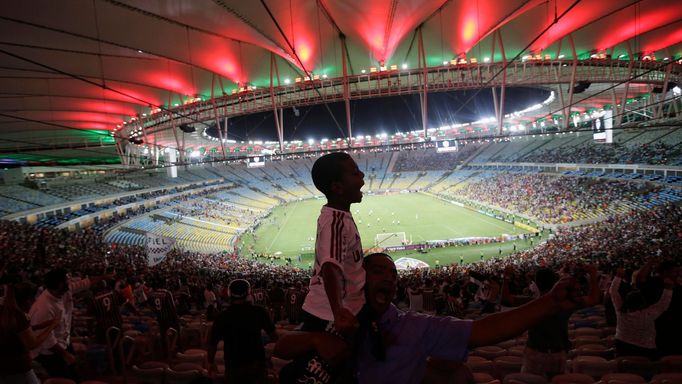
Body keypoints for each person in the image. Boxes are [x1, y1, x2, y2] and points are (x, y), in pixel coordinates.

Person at [275, 253, 599, 384]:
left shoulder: (412, 326)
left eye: (392, 274)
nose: (389, 278)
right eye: (378, 271)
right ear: (358, 278)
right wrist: (318, 339)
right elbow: (283, 348)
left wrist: (549, 303)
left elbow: (484, 330)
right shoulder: (332, 317)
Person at [291, 152, 366, 382]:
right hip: (330, 318)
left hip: (335, 314)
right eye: (354, 173)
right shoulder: (334, 221)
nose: (362, 176)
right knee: (319, 375)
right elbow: (330, 266)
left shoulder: (339, 216)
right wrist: (338, 312)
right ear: (337, 187)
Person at [29, 268, 113, 380]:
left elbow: (84, 283)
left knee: (74, 374)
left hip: (64, 343)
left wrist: (103, 277)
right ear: (59, 285)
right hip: (51, 352)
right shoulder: (44, 308)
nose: (70, 281)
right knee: (65, 379)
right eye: (67, 280)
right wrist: (65, 355)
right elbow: (47, 340)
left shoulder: (63, 291)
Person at [207, 279, 277, 384]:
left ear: (230, 293)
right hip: (256, 362)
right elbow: (274, 337)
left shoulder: (222, 316)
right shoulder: (259, 311)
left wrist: (211, 362)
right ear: (248, 293)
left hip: (233, 363)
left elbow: (212, 343)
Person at [0, 281, 60, 384]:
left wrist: (39, 326)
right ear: (27, 300)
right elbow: (32, 344)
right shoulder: (18, 316)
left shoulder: (5, 310)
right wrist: (51, 326)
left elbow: (15, 332)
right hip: (18, 367)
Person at [609, 267, 673, 359]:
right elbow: (663, 304)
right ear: (642, 304)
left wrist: (618, 276)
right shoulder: (648, 315)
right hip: (645, 350)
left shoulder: (621, 312)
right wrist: (668, 289)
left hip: (622, 346)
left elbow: (613, 292)